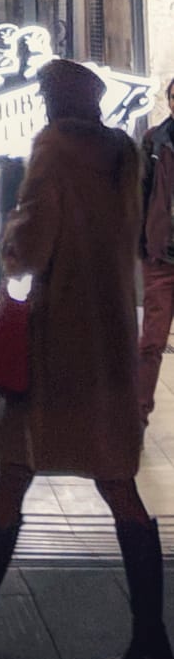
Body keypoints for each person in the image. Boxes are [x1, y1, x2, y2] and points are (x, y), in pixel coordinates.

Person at [0, 58, 173, 659]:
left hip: (56, 342)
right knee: (119, 482)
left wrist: (9, 245)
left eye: (45, 95)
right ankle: (151, 640)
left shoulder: (54, 150)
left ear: (56, 101)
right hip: (108, 344)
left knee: (14, 471)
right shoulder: (123, 154)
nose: (41, 105)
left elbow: (29, 246)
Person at [138, 76, 174, 427]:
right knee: (151, 342)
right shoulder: (154, 141)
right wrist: (143, 246)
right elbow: (140, 194)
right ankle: (137, 417)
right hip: (161, 260)